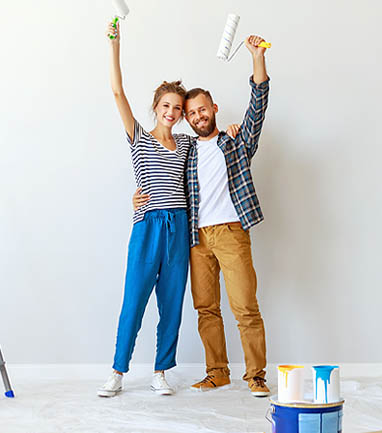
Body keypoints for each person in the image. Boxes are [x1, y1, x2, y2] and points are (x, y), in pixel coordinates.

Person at [133, 34, 272, 397]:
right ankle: (217, 372)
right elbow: (158, 172)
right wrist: (138, 197)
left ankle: (256, 376)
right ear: (187, 118)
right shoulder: (187, 150)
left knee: (245, 307)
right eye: (190, 113)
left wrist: (257, 58)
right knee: (206, 309)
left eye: (202, 109)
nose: (197, 116)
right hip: (195, 238)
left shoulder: (236, 142)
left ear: (214, 108)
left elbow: (257, 106)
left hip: (231, 232)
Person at [97, 18, 193, 398]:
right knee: (133, 302)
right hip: (147, 225)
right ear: (156, 107)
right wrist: (115, 45)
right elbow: (118, 92)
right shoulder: (138, 137)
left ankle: (161, 371)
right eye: (166, 105)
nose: (171, 111)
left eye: (178, 108)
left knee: (172, 304)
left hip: (179, 228)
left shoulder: (186, 145)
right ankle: (118, 372)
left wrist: (231, 129)